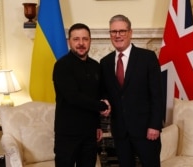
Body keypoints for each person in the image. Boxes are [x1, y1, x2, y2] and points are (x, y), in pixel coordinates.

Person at [100, 14, 164, 167]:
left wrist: (155, 125)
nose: (117, 35)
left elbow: (157, 94)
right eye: (113, 32)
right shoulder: (105, 62)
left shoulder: (148, 58)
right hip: (120, 131)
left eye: (122, 31)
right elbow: (105, 92)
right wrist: (104, 101)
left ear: (130, 33)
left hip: (146, 131)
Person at [53, 23, 111, 167]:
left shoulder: (95, 66)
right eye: (76, 39)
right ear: (69, 42)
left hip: (89, 133)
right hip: (67, 133)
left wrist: (98, 125)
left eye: (85, 39)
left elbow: (96, 94)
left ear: (90, 41)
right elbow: (73, 97)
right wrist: (102, 106)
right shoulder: (62, 66)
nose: (81, 43)